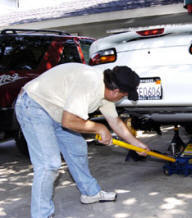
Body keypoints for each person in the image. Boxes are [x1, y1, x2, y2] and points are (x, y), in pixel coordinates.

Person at [15, 63, 150, 218]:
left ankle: (90, 193)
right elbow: (69, 122)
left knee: (77, 149)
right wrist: (99, 128)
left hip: (58, 111)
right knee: (48, 164)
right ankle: (41, 214)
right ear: (116, 90)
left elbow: (115, 121)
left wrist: (135, 144)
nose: (122, 98)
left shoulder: (106, 91)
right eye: (123, 96)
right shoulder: (90, 84)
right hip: (34, 105)